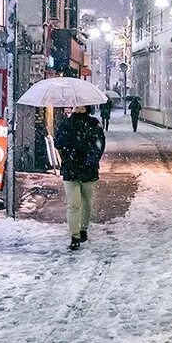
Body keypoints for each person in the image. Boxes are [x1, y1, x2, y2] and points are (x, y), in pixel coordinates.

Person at [54, 106, 106, 250]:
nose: (79, 107)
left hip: (88, 169)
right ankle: (74, 236)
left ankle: (83, 229)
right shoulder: (66, 124)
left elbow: (99, 145)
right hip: (71, 169)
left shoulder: (94, 123)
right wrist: (64, 138)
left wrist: (91, 160)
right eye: (77, 105)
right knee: (73, 203)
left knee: (87, 201)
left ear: (87, 107)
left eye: (82, 105)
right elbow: (58, 143)